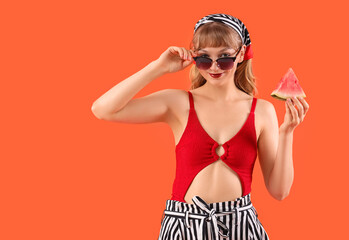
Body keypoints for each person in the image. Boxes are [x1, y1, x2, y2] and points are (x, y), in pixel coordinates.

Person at [91, 13, 309, 240]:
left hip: (241, 227)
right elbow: (103, 109)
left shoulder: (262, 111)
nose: (214, 67)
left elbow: (280, 191)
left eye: (224, 58)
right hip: (184, 226)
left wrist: (287, 132)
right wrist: (158, 67)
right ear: (194, 58)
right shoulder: (178, 103)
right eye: (204, 59)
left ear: (241, 54)